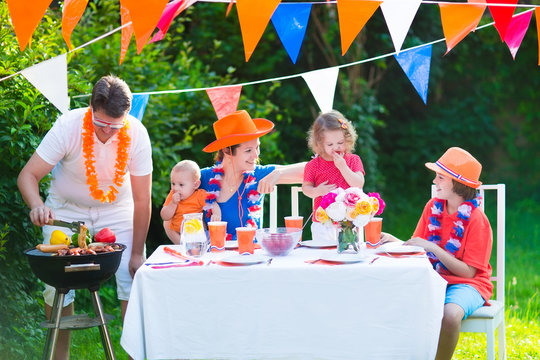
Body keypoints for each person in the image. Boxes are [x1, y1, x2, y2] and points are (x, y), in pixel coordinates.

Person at [17, 75, 152, 360]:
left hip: (118, 210)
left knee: (134, 277)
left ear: (126, 117)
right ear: (90, 107)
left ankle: (133, 355)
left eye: (116, 127)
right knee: (57, 285)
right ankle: (60, 356)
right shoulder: (69, 125)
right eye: (101, 124)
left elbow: (142, 199)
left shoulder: (137, 134)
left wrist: (137, 253)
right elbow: (28, 176)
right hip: (66, 209)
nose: (108, 133)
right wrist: (37, 205)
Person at [380, 147, 493, 360]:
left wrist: (433, 248)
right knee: (393, 303)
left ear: (458, 184)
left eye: (440, 177)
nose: (434, 182)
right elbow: (420, 248)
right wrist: (397, 241)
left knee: (449, 316)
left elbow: (468, 273)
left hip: (468, 285)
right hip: (433, 278)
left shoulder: (478, 220)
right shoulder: (433, 207)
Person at [199, 110, 305, 238]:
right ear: (227, 150)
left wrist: (279, 172)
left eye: (257, 147)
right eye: (248, 150)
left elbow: (312, 170)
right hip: (214, 255)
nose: (256, 155)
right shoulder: (202, 178)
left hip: (251, 256)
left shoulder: (257, 174)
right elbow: (171, 220)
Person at [301, 110, 365, 239]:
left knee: (348, 254)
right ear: (320, 144)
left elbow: (359, 183)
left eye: (340, 143)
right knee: (323, 255)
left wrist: (343, 167)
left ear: (347, 140)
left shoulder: (353, 160)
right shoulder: (313, 165)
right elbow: (306, 188)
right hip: (323, 222)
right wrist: (317, 191)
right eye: (330, 144)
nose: (336, 147)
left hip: (349, 220)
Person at [161, 160, 220, 244]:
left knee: (210, 244)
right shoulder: (172, 195)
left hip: (199, 234)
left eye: (181, 185)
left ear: (195, 185)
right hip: (181, 235)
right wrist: (173, 204)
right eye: (173, 184)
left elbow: (213, 204)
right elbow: (165, 216)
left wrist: (216, 214)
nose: (176, 188)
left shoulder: (199, 195)